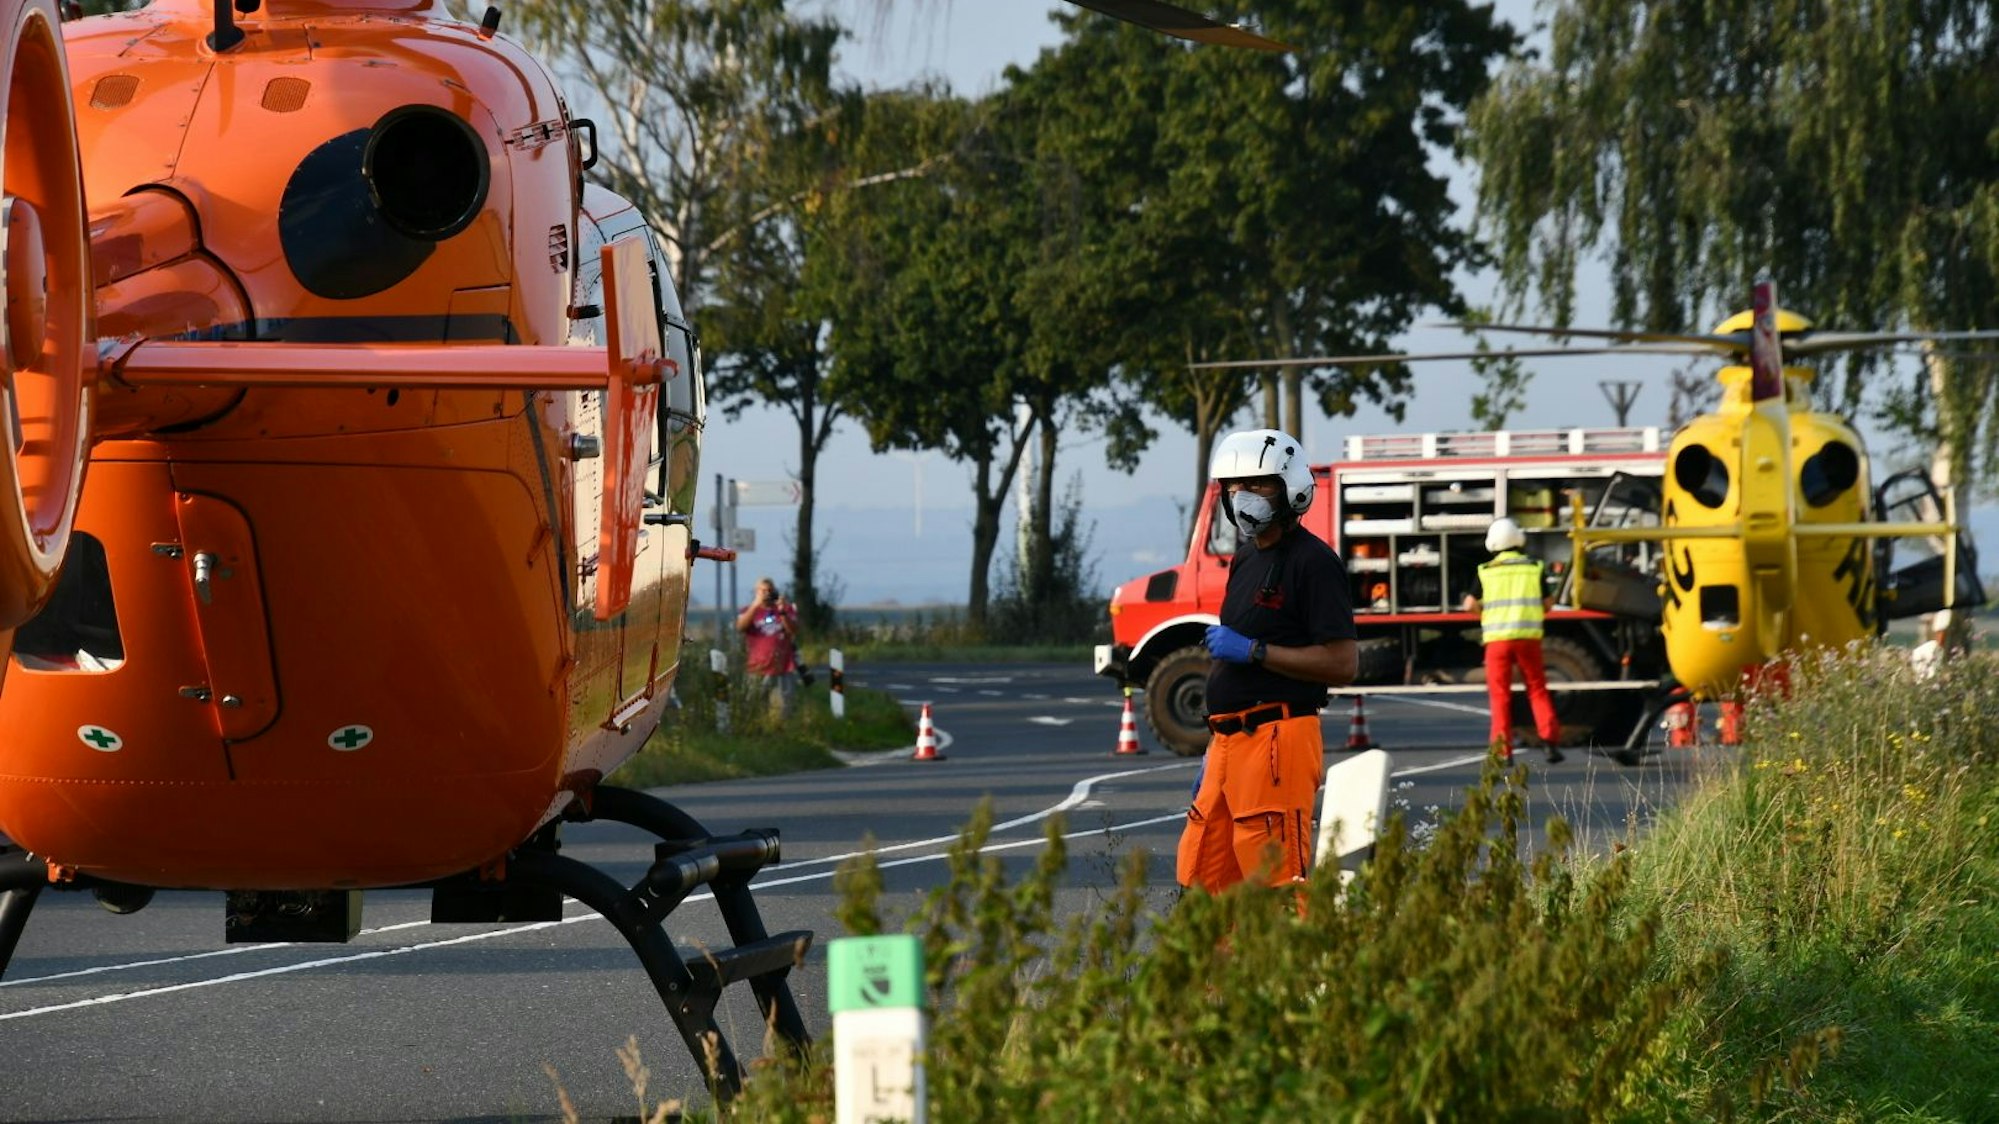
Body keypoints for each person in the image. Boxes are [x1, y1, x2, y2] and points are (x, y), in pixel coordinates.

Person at [1177, 428, 1358, 894]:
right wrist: (1215, 744)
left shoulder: (1313, 562)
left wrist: (1255, 651)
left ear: (1289, 488)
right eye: (1233, 487)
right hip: (1227, 742)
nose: (1243, 496)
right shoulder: (1245, 560)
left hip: (1278, 738)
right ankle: (1219, 968)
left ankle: (1288, 966)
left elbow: (1342, 663)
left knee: (1274, 877)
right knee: (1204, 873)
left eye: (1258, 484)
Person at [1461, 517, 1563, 763]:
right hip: (1528, 638)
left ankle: (1502, 752)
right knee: (1537, 689)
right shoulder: (1534, 567)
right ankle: (1549, 742)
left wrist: (1485, 614)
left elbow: (1469, 604)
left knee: (1500, 696)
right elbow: (1548, 604)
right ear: (1518, 540)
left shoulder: (1486, 571)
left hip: (1497, 641)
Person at [737, 577, 800, 718]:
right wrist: (755, 606)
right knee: (754, 706)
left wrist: (782, 612)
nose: (766, 594)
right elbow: (740, 626)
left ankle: (783, 732)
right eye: (762, 591)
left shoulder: (785, 609)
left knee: (785, 707)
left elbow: (794, 630)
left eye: (769, 590)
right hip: (757, 667)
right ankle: (757, 732)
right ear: (756, 592)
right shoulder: (748, 610)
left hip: (783, 666)